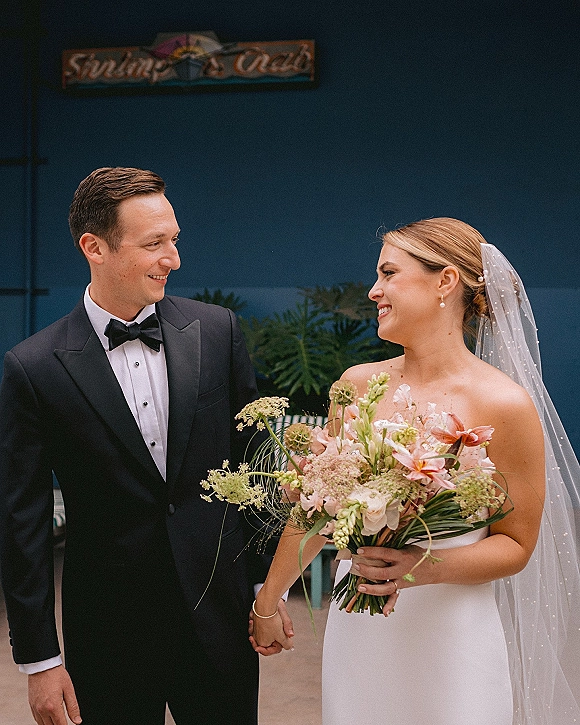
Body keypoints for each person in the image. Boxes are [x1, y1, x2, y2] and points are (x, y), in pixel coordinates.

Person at [250, 217, 580, 724]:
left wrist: (419, 568)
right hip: (360, 632)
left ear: (445, 282)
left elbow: (516, 546)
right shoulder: (357, 385)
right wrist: (269, 600)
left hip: (453, 635)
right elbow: (315, 508)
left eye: (388, 273)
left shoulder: (504, 405)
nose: (373, 289)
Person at [0, 167, 289, 725]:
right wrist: (39, 659)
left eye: (174, 239)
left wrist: (265, 588)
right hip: (107, 628)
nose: (174, 259)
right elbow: (23, 522)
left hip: (218, 615)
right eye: (154, 244)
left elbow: (258, 471)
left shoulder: (218, 331)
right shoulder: (33, 368)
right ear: (95, 248)